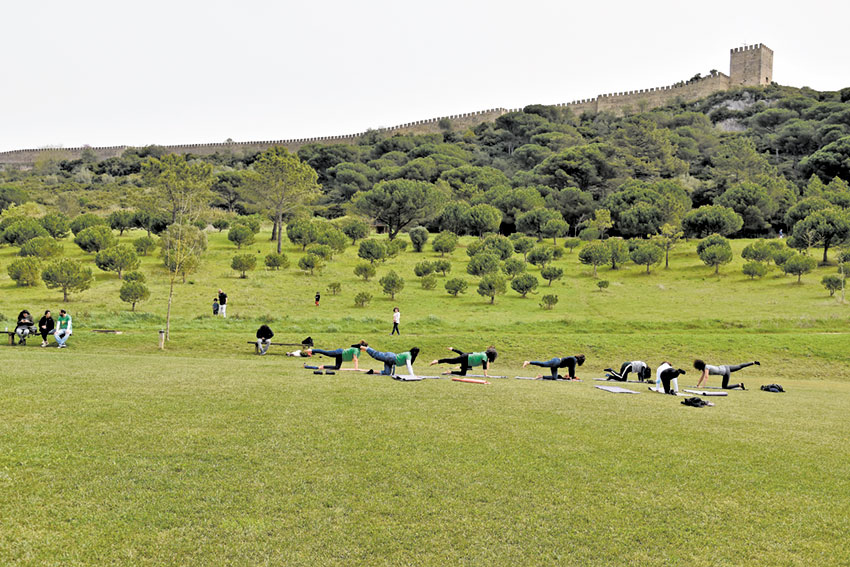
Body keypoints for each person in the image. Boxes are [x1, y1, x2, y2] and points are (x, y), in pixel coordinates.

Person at [430, 346, 498, 377]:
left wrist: (453, 349)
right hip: (466, 358)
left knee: (463, 373)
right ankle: (437, 361)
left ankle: (449, 372)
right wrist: (486, 375)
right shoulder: (484, 356)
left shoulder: (484, 354)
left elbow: (486, 364)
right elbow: (484, 366)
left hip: (467, 360)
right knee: (452, 361)